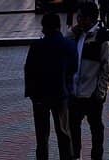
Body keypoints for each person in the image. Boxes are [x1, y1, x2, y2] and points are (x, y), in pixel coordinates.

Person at [24, 13, 78, 160]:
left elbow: (29, 70)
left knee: (42, 136)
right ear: (59, 26)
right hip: (61, 94)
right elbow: (73, 68)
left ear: (44, 27)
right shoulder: (69, 45)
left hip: (40, 96)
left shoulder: (37, 46)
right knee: (64, 132)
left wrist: (32, 94)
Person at [70, 2, 109, 160]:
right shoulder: (79, 34)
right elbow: (65, 46)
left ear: (88, 18)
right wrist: (71, 32)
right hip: (75, 93)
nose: (77, 20)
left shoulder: (104, 37)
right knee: (73, 128)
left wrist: (100, 93)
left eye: (80, 17)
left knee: (96, 129)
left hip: (92, 94)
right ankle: (75, 156)